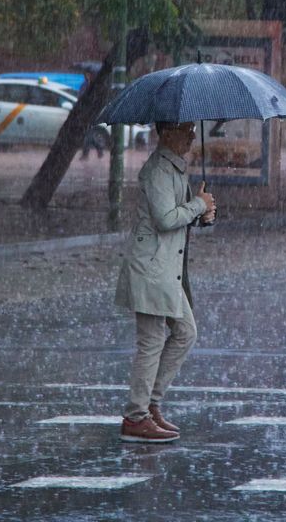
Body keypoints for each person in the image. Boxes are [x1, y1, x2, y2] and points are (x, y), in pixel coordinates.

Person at [115, 120, 216, 443]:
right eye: (186, 129)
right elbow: (165, 218)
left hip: (165, 270)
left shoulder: (175, 169)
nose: (192, 135)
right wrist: (197, 206)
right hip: (151, 268)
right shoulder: (158, 170)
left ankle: (150, 404)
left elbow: (178, 217)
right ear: (167, 133)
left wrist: (201, 214)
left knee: (185, 332)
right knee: (151, 341)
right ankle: (136, 416)